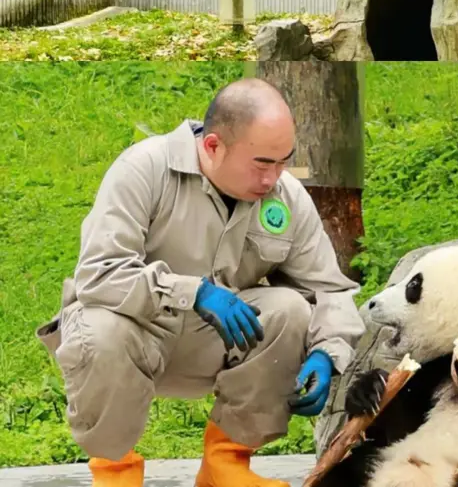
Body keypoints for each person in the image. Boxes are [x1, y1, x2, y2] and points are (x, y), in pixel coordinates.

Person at [36, 77, 366, 487]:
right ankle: (115, 472)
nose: (272, 179)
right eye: (262, 163)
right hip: (132, 336)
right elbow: (98, 275)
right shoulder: (144, 168)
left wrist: (326, 352)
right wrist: (192, 292)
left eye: (283, 161)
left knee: (291, 311)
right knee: (100, 328)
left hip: (211, 345)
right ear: (212, 146)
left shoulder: (286, 196)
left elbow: (328, 290)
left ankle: (224, 467)